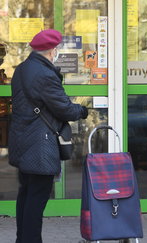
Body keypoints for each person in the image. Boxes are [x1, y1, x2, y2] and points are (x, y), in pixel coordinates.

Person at [8, 29, 88, 243]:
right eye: (56, 49)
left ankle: (22, 239)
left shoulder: (22, 69)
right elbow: (64, 109)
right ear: (52, 50)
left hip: (23, 140)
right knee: (37, 198)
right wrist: (82, 110)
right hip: (40, 144)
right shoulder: (44, 74)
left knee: (26, 194)